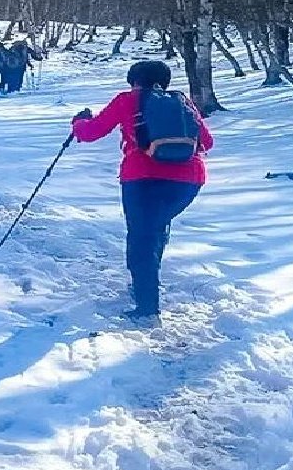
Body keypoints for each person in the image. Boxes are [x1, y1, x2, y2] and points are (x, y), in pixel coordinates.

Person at [71, 59, 213, 321]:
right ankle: (143, 286)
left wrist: (79, 122)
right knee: (154, 229)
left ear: (134, 80)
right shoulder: (182, 101)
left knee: (141, 237)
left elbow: (91, 132)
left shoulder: (127, 100)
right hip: (189, 181)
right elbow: (207, 142)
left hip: (142, 178)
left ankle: (146, 306)